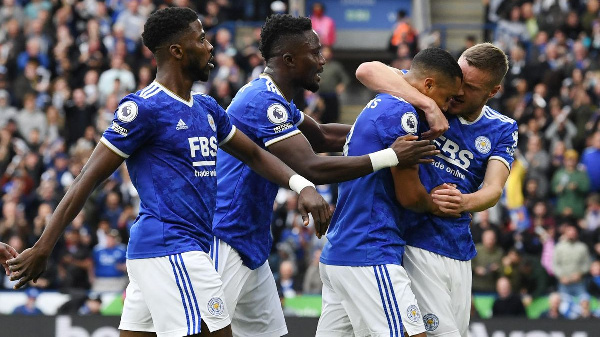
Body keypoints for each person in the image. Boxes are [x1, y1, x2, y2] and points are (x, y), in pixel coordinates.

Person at [7, 7, 332, 337]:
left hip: (170, 252)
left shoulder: (206, 108)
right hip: (172, 248)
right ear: (177, 51)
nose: (210, 47)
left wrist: (299, 184)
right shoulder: (142, 109)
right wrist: (44, 246)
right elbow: (87, 178)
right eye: (202, 39)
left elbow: (252, 153)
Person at [210, 14, 443, 337]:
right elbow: (311, 166)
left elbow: (320, 136)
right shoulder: (261, 101)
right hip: (224, 236)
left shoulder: (276, 97)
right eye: (315, 53)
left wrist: (376, 133)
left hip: (251, 242)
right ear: (289, 60)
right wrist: (389, 155)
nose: (323, 60)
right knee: (203, 331)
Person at [356, 42, 518, 336]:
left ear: (492, 91)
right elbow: (366, 70)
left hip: (459, 247)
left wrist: (463, 202)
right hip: (416, 240)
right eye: (457, 79)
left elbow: (494, 190)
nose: (457, 91)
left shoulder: (502, 128)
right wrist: (429, 105)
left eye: (469, 86)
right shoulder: (430, 94)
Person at [317, 48, 463, 337]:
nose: (447, 107)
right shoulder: (403, 115)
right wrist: (438, 203)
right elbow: (409, 196)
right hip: (371, 250)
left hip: (338, 254)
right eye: (446, 98)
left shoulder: (383, 101)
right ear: (429, 85)